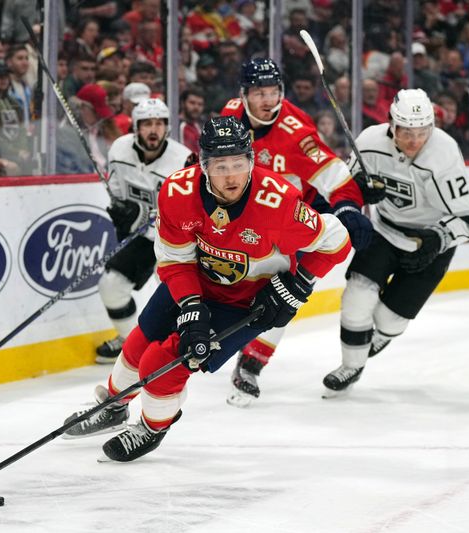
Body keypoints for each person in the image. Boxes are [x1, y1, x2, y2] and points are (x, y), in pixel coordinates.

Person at [62, 116, 351, 462]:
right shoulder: (177, 192)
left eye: (238, 164)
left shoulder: (278, 202)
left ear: (251, 160)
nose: (231, 175)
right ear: (203, 165)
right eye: (220, 165)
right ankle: (113, 405)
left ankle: (152, 428)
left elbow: (337, 239)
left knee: (161, 361)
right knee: (140, 341)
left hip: (246, 303)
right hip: (196, 281)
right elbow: (174, 259)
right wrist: (191, 304)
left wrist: (298, 284)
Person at [220, 58, 385, 406]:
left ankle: (251, 361)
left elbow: (336, 178)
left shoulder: (296, 132)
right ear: (243, 94)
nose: (267, 100)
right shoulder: (229, 116)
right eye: (258, 92)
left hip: (296, 214)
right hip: (250, 214)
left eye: (273, 91)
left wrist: (348, 207)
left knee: (285, 290)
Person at [322, 89, 469, 396]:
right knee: (355, 300)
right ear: (391, 123)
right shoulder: (368, 142)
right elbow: (346, 187)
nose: (414, 141)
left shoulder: (444, 152)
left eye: (422, 132)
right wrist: (361, 192)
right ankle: (351, 366)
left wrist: (438, 239)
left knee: (390, 321)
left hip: (431, 241)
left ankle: (381, 334)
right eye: (407, 131)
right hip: (385, 230)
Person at [94, 98, 194, 364]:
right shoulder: (119, 149)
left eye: (159, 123)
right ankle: (131, 345)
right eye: (147, 123)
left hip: (175, 239)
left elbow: (192, 208)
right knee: (111, 286)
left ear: (167, 128)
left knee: (175, 297)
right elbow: (115, 188)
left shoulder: (183, 159)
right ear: (135, 128)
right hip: (140, 236)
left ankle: (174, 347)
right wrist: (121, 210)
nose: (153, 130)